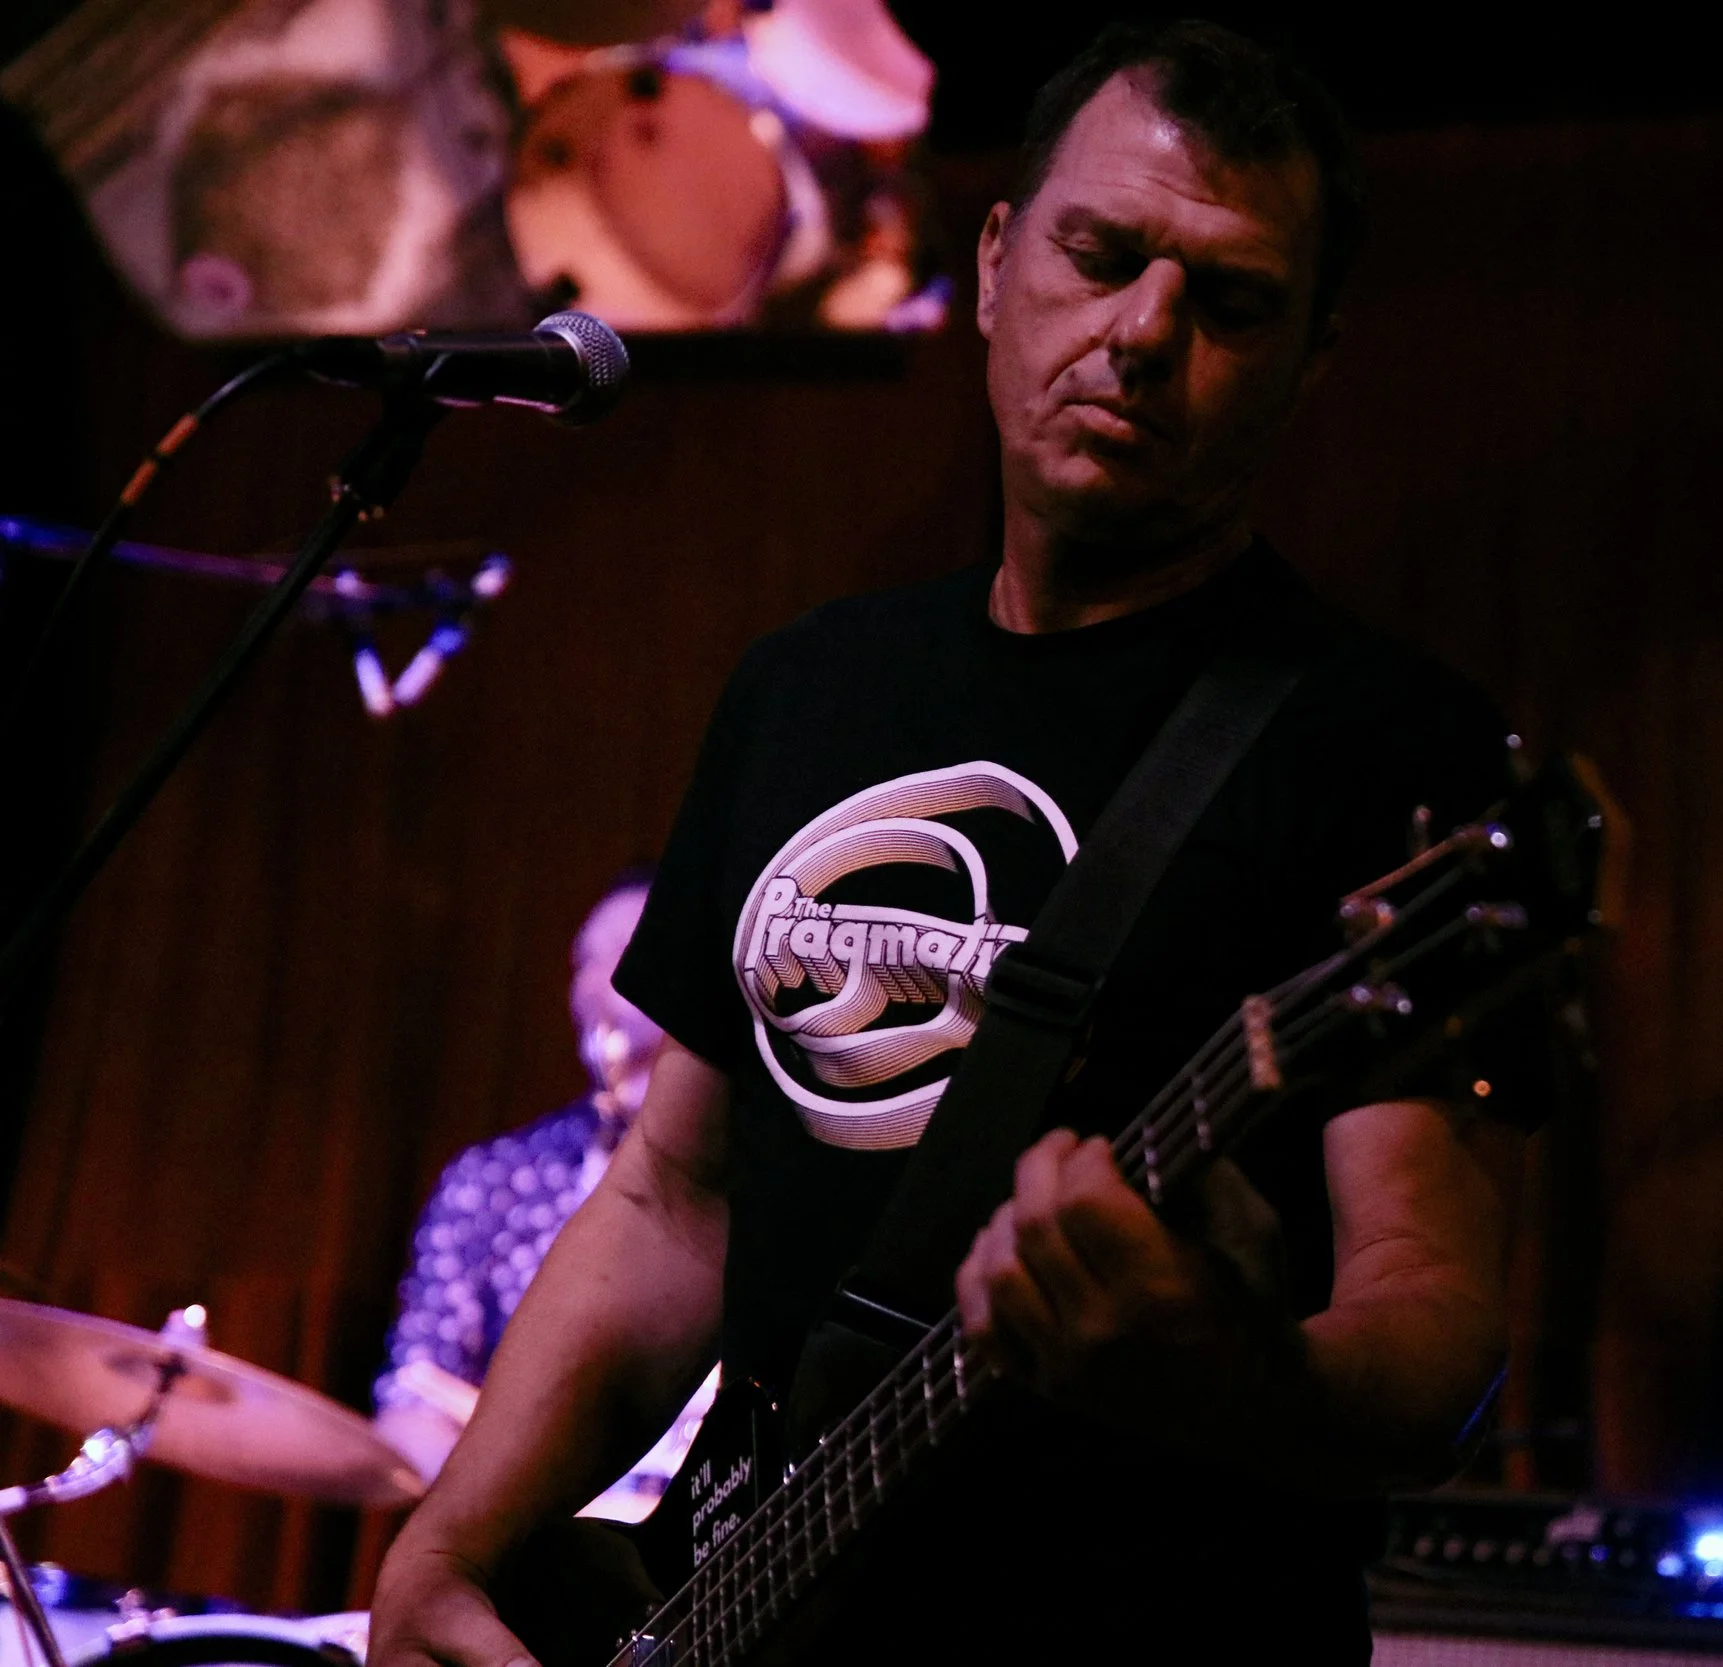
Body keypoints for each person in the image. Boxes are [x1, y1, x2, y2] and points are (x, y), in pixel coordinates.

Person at [370, 21, 1535, 1661]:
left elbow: (1430, 1344)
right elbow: (671, 1199)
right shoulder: (811, 683)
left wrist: (1214, 1358)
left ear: (1312, 357)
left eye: (1232, 299)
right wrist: (449, 1547)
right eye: (1102, 253)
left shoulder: (1381, 743)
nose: (1143, 333)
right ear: (995, 264)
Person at [373, 873, 714, 1514]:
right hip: (540, 1556)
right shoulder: (496, 1178)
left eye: (631, 949)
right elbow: (411, 1407)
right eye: (585, 959)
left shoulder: (766, 1177)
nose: (599, 980)